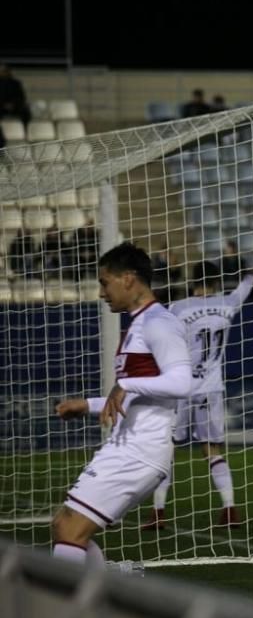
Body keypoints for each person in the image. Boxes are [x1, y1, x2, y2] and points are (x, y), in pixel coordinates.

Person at [51, 243, 192, 566]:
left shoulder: (159, 323)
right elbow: (137, 395)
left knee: (71, 528)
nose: (102, 292)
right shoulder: (139, 324)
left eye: (104, 282)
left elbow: (182, 383)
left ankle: (67, 611)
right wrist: (86, 404)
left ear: (128, 279)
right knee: (65, 526)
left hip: (140, 450)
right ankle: (101, 595)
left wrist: (124, 384)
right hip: (128, 444)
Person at [141, 262, 253, 531]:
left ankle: (158, 512)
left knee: (167, 448)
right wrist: (252, 271)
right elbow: (245, 288)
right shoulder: (227, 304)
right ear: (216, 282)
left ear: (192, 281)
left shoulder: (179, 308)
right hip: (212, 388)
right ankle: (229, 509)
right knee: (212, 450)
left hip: (180, 387)